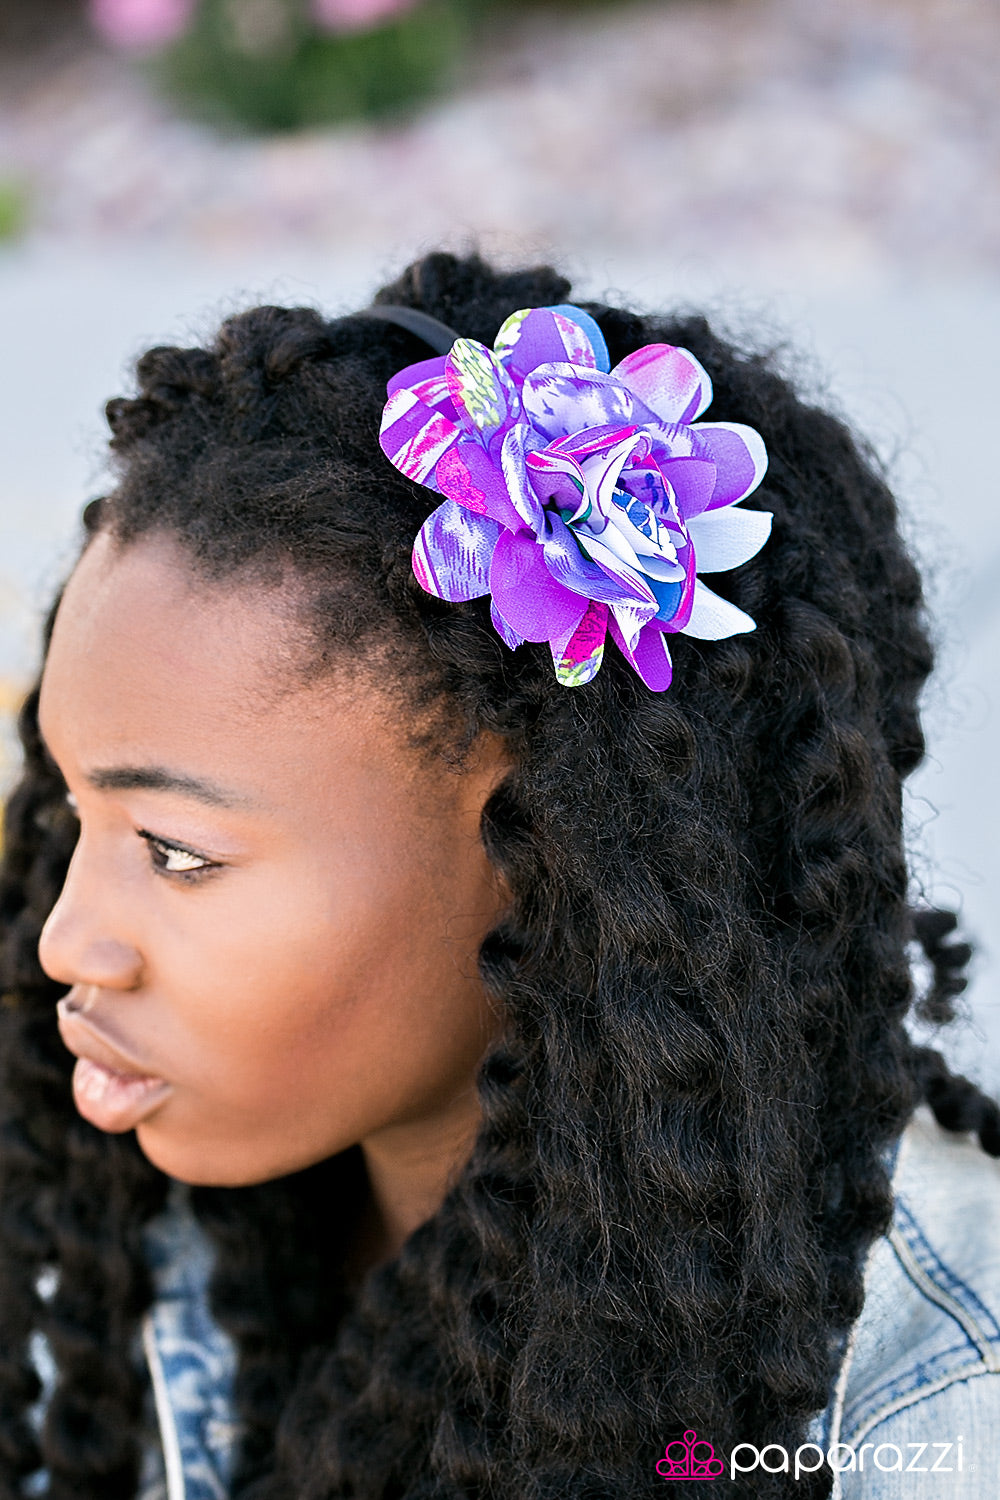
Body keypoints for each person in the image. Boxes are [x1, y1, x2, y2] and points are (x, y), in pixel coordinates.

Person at [0, 251, 997, 1500]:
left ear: (550, 854)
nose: (62, 941)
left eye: (177, 853)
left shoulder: (929, 1415)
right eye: (67, 804)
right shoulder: (98, 1211)